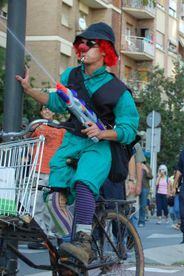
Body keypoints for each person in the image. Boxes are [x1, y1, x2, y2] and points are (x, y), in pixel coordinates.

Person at [16, 22, 139, 264]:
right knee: (53, 198)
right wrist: (29, 90)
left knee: (84, 183)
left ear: (104, 50)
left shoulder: (119, 90)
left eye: (90, 44)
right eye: (80, 43)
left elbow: (129, 129)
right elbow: (56, 102)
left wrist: (103, 133)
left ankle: (83, 242)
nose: (83, 48)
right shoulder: (70, 76)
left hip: (98, 146)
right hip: (71, 142)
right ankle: (74, 247)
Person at [29, 106, 66, 249]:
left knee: (49, 205)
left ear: (54, 111)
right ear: (40, 112)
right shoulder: (36, 126)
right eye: (44, 109)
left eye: (49, 109)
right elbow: (28, 140)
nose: (47, 111)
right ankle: (42, 236)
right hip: (37, 169)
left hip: (53, 171)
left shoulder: (60, 128)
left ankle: (51, 234)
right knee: (36, 203)